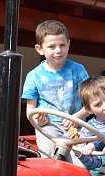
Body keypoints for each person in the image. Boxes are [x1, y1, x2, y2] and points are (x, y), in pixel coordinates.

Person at [21, 20, 89, 161]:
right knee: (51, 160)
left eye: (62, 45)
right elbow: (30, 111)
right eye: (52, 46)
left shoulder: (78, 70)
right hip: (48, 126)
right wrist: (37, 119)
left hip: (76, 125)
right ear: (40, 49)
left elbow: (90, 105)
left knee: (82, 165)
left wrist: (76, 117)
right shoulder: (34, 76)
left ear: (68, 44)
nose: (58, 50)